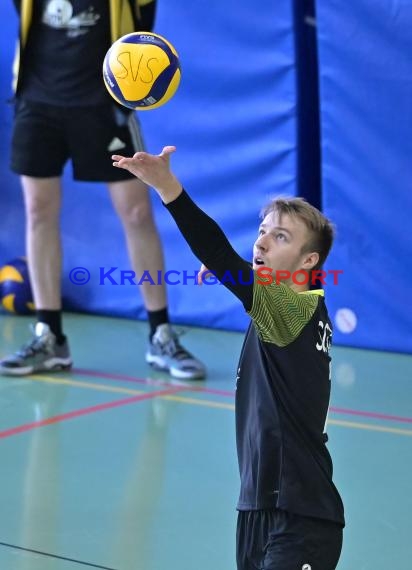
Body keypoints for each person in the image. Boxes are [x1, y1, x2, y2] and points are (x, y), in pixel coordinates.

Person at [111, 146, 345, 570]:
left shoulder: (290, 312)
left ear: (308, 261)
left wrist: (167, 186)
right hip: (258, 506)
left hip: (299, 514)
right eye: (263, 229)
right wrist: (236, 276)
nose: (262, 240)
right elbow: (235, 271)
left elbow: (218, 252)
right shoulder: (303, 307)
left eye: (281, 237)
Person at [0, 1, 205, 380]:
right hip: (37, 99)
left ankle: (161, 333)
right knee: (38, 211)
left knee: (137, 213)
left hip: (104, 104)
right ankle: (50, 336)